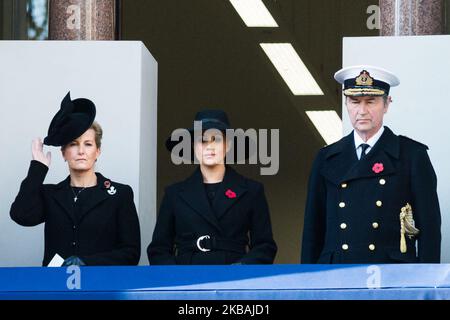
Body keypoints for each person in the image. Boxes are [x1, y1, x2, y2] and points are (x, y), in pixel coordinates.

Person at [301, 65, 441, 264]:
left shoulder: (411, 156)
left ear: (386, 104)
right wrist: (308, 282)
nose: (362, 111)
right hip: (336, 273)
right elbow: (312, 230)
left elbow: (429, 228)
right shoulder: (326, 158)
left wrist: (427, 280)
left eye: (371, 102)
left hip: (391, 273)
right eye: (355, 102)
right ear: (346, 104)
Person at [10, 92, 141, 266]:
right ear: (63, 153)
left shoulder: (119, 194)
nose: (81, 151)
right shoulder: (51, 194)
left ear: (97, 152)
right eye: (73, 144)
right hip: (57, 288)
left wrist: (87, 262)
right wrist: (37, 169)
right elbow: (21, 215)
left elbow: (131, 253)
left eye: (88, 144)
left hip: (101, 288)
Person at [148, 109, 277, 264]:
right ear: (193, 147)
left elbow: (264, 247)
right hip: (188, 280)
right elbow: (158, 250)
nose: (209, 147)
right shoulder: (174, 194)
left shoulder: (252, 191)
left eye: (215, 139)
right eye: (202, 141)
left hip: (233, 280)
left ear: (227, 145)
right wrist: (177, 275)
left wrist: (240, 270)